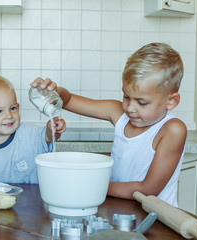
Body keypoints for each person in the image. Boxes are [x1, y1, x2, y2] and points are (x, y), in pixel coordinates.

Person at [32, 42, 186, 207]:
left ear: (171, 101)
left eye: (141, 102)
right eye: (126, 96)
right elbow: (68, 100)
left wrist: (92, 185)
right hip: (120, 209)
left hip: (156, 220)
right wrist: (54, 92)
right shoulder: (118, 112)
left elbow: (147, 190)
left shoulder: (172, 130)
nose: (130, 108)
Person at [0, 75, 66, 184]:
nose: (9, 115)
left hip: (32, 199)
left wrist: (53, 128)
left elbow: (48, 137)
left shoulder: (29, 134)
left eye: (12, 108)